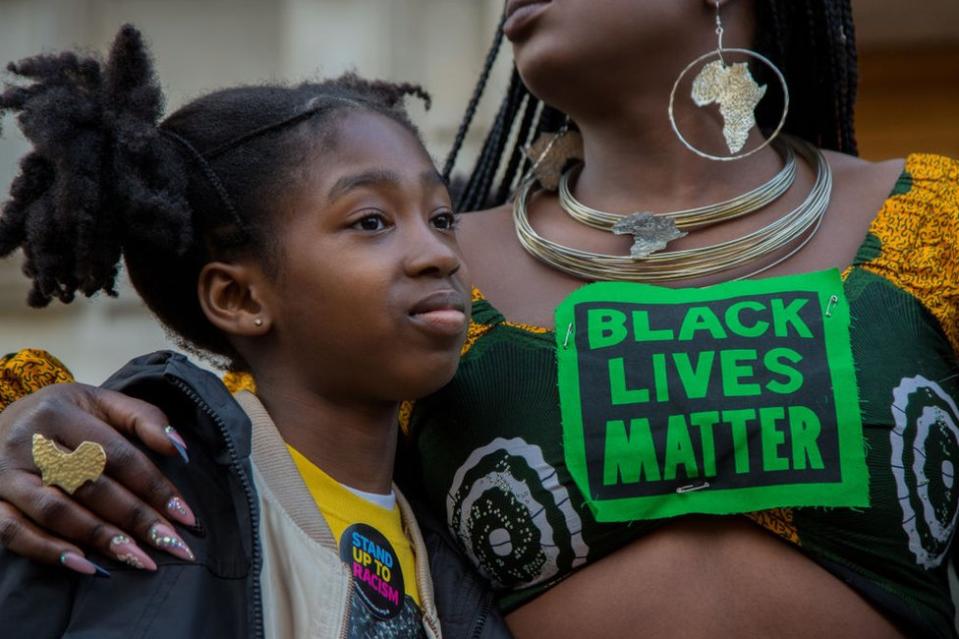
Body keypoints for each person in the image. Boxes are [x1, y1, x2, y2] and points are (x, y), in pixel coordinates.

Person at [1, 1, 957, 637]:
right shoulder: (433, 285)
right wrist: (37, 430)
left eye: (425, 215)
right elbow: (256, 449)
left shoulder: (936, 221)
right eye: (376, 219)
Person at [0, 25, 509, 639]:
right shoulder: (119, 500)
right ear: (238, 296)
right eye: (371, 220)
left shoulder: (468, 541)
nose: (439, 254)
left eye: (443, 218)